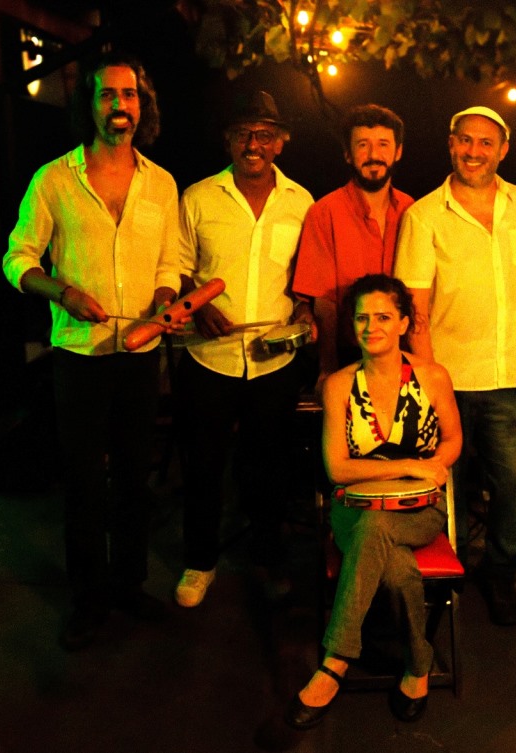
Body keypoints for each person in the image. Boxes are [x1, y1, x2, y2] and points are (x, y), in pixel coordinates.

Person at [2, 52, 182, 650]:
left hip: (140, 355)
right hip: (78, 355)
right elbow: (17, 258)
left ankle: (130, 585)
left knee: (134, 479)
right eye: (107, 95)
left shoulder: (161, 183)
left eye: (129, 95)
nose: (119, 105)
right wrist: (63, 292)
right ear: (91, 105)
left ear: (142, 105)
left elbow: (170, 264)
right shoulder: (54, 179)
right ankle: (89, 600)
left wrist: (164, 303)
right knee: (82, 482)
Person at [285, 274, 462, 730]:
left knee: (379, 529)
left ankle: (334, 662)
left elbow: (453, 439)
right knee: (388, 551)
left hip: (418, 512)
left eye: (383, 317)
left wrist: (433, 468)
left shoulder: (433, 376)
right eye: (362, 318)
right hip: (354, 510)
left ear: (403, 323)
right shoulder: (339, 385)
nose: (371, 327)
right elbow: (337, 469)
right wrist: (408, 467)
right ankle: (418, 662)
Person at [393, 106, 516, 626]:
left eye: (486, 143)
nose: (475, 151)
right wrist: (428, 381)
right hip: (448, 378)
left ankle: (500, 575)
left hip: (511, 378)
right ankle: (439, 580)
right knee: (442, 489)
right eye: (466, 141)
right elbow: (416, 309)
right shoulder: (424, 216)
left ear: (503, 150)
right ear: (451, 144)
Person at [172, 90, 314, 608]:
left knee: (268, 467)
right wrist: (197, 305)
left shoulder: (302, 202)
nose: (253, 145)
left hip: (274, 361)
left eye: (264, 135)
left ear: (281, 142)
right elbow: (178, 266)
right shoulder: (198, 197)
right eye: (242, 134)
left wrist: (304, 312)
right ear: (228, 141)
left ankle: (266, 559)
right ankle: (199, 563)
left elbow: (306, 277)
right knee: (202, 465)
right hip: (208, 356)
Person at [292, 104, 413, 379]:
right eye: (362, 145)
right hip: (347, 354)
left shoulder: (412, 210)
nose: (373, 155)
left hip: (402, 355)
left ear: (398, 151)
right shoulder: (324, 212)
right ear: (348, 154)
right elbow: (324, 302)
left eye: (383, 144)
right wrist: (328, 368)